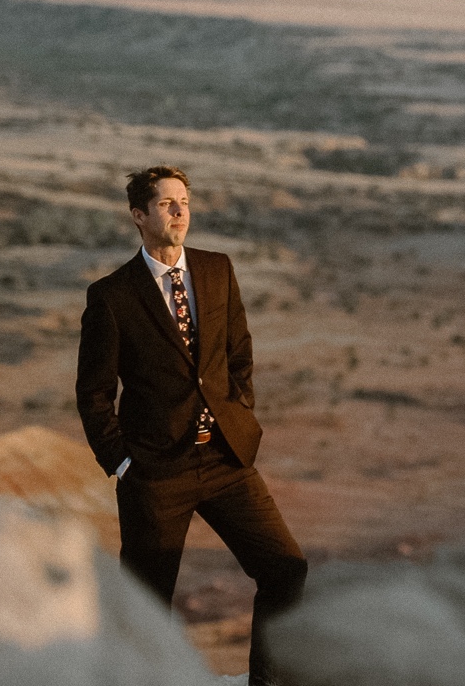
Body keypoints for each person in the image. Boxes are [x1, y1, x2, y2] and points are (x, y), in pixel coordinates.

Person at [76, 166, 306, 686]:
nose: (180, 211)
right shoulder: (111, 296)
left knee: (286, 569)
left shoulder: (217, 269)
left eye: (185, 201)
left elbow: (238, 352)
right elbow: (93, 393)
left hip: (226, 458)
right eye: (166, 204)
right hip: (156, 473)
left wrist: (239, 410)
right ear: (139, 216)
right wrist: (123, 461)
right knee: (146, 605)